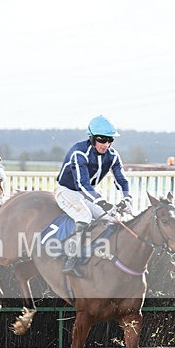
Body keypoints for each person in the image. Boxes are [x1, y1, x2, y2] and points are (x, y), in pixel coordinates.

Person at [55, 115, 132, 277]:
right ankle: (70, 260)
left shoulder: (113, 155)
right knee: (84, 216)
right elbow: (82, 184)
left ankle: (102, 254)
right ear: (91, 138)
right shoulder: (79, 152)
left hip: (88, 194)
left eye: (110, 140)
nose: (106, 144)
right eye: (101, 140)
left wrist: (127, 198)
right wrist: (103, 203)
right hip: (68, 191)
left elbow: (121, 180)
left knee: (112, 218)